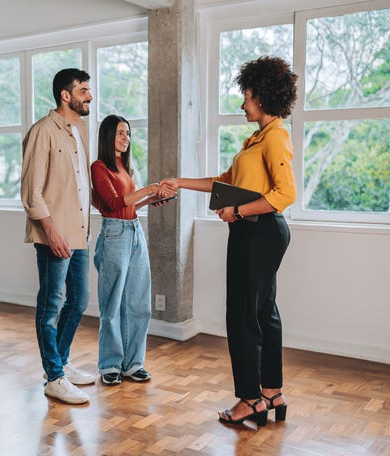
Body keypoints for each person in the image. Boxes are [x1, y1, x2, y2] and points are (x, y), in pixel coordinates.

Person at [162, 56, 297, 425]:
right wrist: (181, 182)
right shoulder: (257, 138)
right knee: (263, 311)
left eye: (248, 95)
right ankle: (271, 392)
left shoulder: (275, 137)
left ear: (264, 96)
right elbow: (227, 182)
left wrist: (238, 213)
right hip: (257, 230)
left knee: (242, 314)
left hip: (259, 230)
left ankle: (250, 399)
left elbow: (285, 193)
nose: (243, 103)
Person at [21, 68, 95, 405]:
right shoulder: (42, 132)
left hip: (78, 232)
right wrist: (52, 233)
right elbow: (31, 193)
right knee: (51, 305)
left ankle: (61, 364)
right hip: (55, 235)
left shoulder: (79, 133)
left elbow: (80, 188)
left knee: (78, 300)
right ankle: (54, 376)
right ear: (65, 95)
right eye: (82, 91)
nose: (88, 96)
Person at [91, 114, 176, 386]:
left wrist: (151, 199)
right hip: (114, 234)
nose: (126, 138)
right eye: (120, 133)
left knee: (138, 303)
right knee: (113, 305)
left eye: (127, 133)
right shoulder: (99, 167)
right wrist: (148, 188)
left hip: (135, 232)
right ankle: (110, 365)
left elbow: (129, 206)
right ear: (108, 136)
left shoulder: (126, 168)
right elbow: (114, 204)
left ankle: (132, 364)